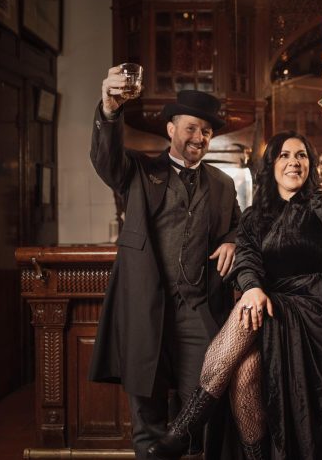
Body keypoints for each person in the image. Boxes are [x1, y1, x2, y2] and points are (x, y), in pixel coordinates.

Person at [147, 108, 322, 459]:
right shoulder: (254, 216)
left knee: (244, 316)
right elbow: (247, 258)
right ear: (271, 165)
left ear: (311, 165)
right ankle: (240, 450)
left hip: (319, 315)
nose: (293, 162)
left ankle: (184, 428)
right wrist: (251, 287)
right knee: (244, 371)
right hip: (272, 311)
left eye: (301, 156)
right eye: (284, 155)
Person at [88, 65, 241, 459]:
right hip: (144, 309)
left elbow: (240, 229)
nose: (199, 137)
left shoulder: (223, 185)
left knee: (199, 412)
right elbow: (106, 159)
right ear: (171, 128)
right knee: (148, 418)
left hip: (197, 308)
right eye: (191, 128)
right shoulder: (139, 170)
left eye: (206, 131)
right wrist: (110, 109)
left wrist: (233, 241)